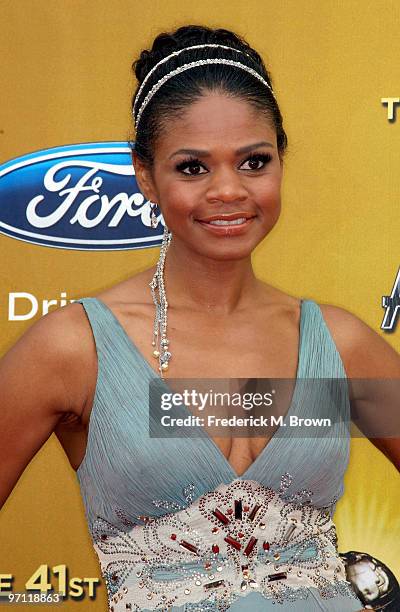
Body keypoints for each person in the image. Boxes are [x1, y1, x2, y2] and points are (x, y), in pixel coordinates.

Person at [1, 23, 398, 612]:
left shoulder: (340, 345)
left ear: (280, 163)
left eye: (254, 162)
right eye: (193, 167)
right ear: (144, 175)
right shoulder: (74, 348)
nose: (228, 190)